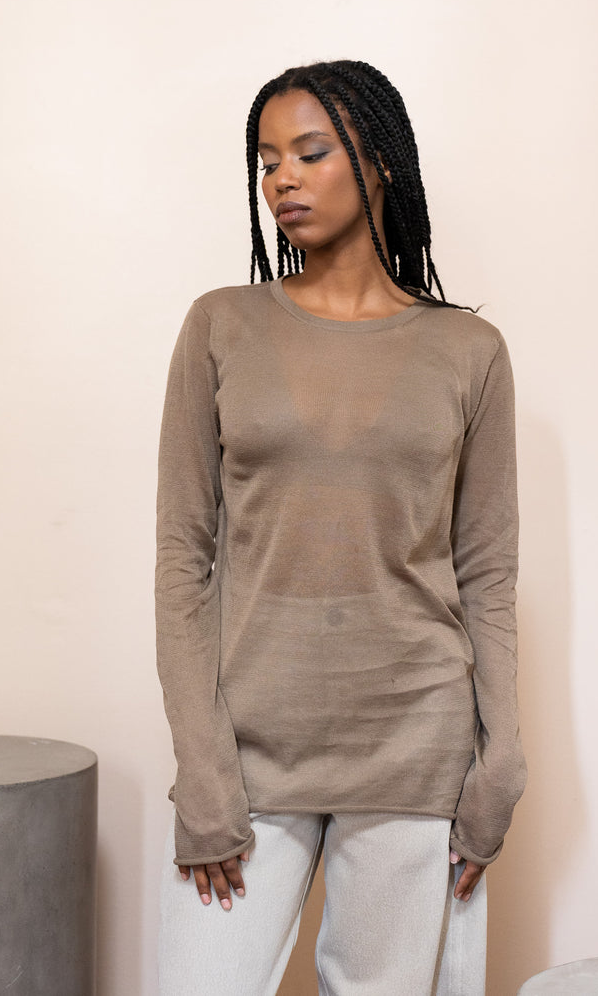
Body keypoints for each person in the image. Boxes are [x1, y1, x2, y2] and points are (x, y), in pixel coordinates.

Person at [155, 60, 526, 996]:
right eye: (266, 160)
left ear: (380, 160)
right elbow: (181, 557)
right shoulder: (220, 325)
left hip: (415, 747)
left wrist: (502, 760)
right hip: (249, 753)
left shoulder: (468, 351)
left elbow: (486, 571)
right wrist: (201, 765)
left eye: (310, 153)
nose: (282, 178)